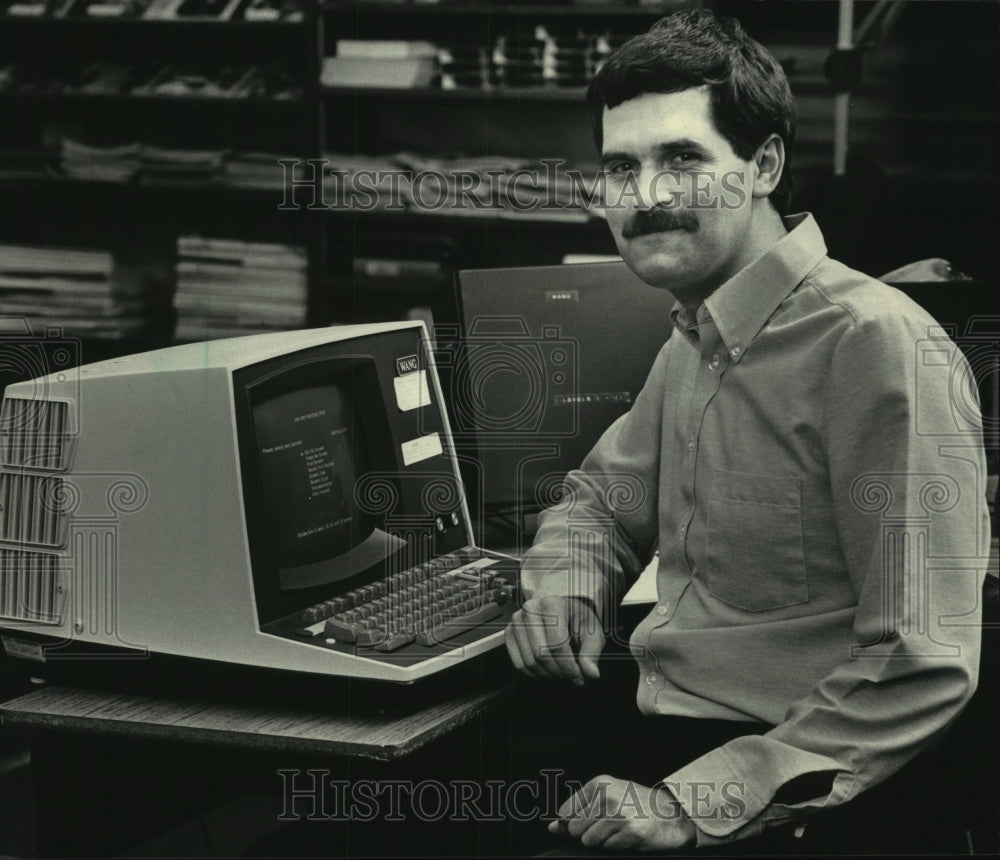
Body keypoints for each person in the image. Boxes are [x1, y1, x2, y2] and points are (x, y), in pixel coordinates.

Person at [504, 8, 991, 854]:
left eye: (683, 159)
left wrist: (692, 805)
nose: (646, 196)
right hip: (668, 734)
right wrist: (567, 584)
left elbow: (922, 657)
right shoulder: (699, 333)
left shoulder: (876, 344)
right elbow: (599, 502)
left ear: (763, 164)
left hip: (795, 794)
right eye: (621, 167)